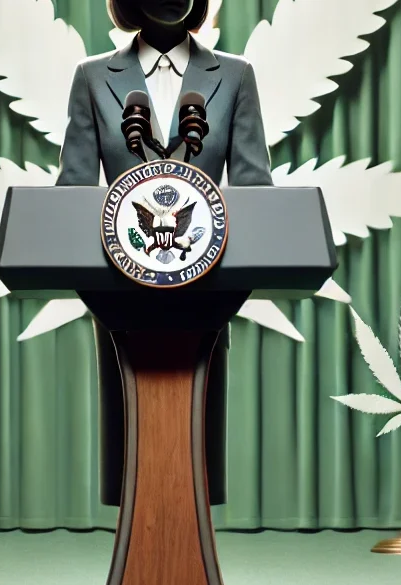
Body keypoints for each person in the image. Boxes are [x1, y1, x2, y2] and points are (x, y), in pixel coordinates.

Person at [56, 0, 273, 506]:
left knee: (194, 465)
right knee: (131, 461)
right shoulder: (92, 78)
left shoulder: (236, 77)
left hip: (207, 295)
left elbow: (255, 193)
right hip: (119, 298)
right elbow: (73, 195)